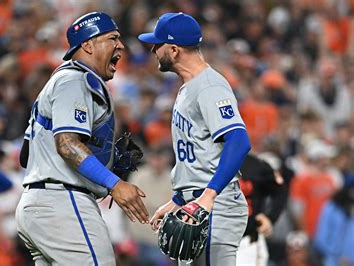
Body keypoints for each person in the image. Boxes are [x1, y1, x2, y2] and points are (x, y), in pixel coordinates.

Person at [15, 12, 149, 266]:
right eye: (113, 38)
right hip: (62, 202)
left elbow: (26, 156)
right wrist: (114, 183)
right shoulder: (74, 80)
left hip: (39, 203)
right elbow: (66, 144)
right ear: (88, 45)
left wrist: (102, 156)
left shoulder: (61, 80)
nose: (120, 45)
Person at [138, 13, 251, 265]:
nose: (154, 50)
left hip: (215, 206)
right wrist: (178, 200)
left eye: (158, 44)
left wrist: (207, 197)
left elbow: (239, 141)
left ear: (175, 50)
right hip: (194, 204)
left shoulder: (210, 87)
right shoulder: (190, 86)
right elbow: (200, 154)